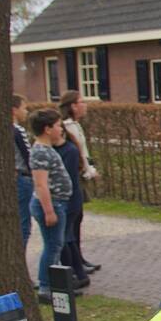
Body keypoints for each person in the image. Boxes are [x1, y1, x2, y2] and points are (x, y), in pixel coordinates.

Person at [27, 109, 73, 303]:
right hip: (52, 204)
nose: (60, 129)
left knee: (55, 245)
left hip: (58, 202)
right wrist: (49, 210)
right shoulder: (40, 152)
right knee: (52, 246)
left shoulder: (46, 149)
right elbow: (41, 184)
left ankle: (53, 283)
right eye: (57, 126)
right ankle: (46, 286)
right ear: (47, 129)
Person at [59, 90, 100, 273]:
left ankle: (79, 257)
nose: (85, 105)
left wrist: (91, 167)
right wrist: (87, 170)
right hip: (77, 176)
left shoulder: (76, 125)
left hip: (82, 174)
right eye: (81, 102)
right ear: (73, 106)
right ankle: (75, 261)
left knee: (78, 218)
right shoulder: (68, 127)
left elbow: (85, 152)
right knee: (74, 219)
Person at [54, 126, 89, 289]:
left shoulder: (69, 150)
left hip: (68, 199)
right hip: (66, 199)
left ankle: (74, 275)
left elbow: (65, 176)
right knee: (67, 237)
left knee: (65, 237)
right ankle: (78, 274)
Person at [12, 94, 33, 247]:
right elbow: (28, 156)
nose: (26, 112)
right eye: (24, 108)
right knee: (24, 225)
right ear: (14, 110)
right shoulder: (18, 130)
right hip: (22, 178)